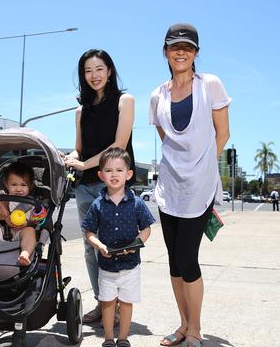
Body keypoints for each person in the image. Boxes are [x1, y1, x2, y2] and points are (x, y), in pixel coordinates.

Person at [149, 23, 230, 347]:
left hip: (200, 184)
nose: (180, 52)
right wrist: (181, 163)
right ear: (165, 52)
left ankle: (195, 328)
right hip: (170, 185)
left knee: (188, 258)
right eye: (174, 47)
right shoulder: (158, 94)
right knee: (173, 259)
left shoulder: (210, 84)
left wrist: (202, 165)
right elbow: (165, 138)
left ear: (195, 52)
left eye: (188, 47)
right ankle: (182, 324)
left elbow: (221, 133)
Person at [64, 49, 136, 324]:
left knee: (116, 247)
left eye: (99, 69)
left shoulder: (124, 101)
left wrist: (84, 165)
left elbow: (118, 145)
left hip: (114, 186)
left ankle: (120, 306)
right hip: (85, 189)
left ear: (110, 71)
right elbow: (79, 148)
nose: (94, 75)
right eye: (88, 71)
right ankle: (102, 304)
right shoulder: (81, 110)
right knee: (90, 248)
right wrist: (71, 157)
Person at [82, 148, 154, 347]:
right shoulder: (97, 204)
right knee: (107, 302)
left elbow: (147, 228)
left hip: (130, 264)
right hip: (106, 265)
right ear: (101, 175)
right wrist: (99, 245)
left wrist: (137, 242)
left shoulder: (137, 203)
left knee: (126, 302)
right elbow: (88, 232)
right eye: (109, 170)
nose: (114, 174)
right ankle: (108, 338)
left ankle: (123, 338)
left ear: (128, 174)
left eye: (119, 170)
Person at [0, 162, 38, 266]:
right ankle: (1, 214)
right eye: (14, 185)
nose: (18, 189)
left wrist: (27, 224)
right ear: (6, 184)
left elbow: (35, 222)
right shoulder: (2, 197)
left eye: (23, 185)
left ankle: (25, 253)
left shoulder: (31, 203)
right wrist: (3, 213)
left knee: (30, 230)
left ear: (30, 186)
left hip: (20, 233)